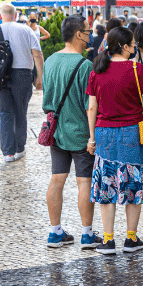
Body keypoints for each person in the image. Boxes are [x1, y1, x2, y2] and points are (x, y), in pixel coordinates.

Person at [86, 27, 143, 255]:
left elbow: (92, 107)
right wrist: (138, 107)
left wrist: (92, 138)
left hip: (104, 133)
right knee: (133, 184)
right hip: (132, 132)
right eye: (133, 45)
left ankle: (107, 241)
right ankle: (131, 239)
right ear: (124, 47)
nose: (135, 48)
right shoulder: (137, 69)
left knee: (107, 186)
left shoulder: (97, 71)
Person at [42, 15, 102, 250]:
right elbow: (90, 105)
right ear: (78, 34)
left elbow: (47, 97)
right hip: (79, 132)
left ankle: (55, 232)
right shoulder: (84, 65)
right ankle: (87, 234)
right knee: (83, 181)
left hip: (55, 130)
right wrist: (92, 137)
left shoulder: (50, 61)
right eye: (87, 32)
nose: (89, 37)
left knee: (57, 179)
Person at [0, 3, 44, 162]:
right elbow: (37, 54)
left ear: (0, 16)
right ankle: (19, 149)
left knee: (5, 113)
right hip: (23, 75)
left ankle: (8, 152)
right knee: (21, 112)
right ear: (16, 15)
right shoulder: (27, 30)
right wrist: (40, 78)